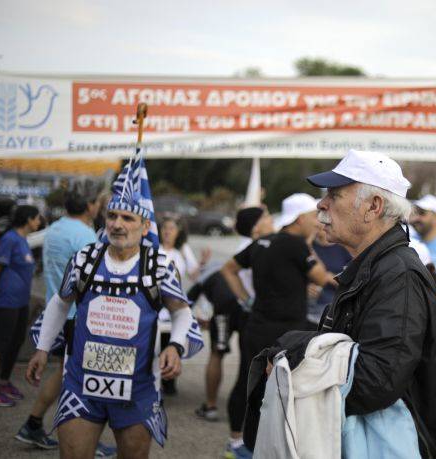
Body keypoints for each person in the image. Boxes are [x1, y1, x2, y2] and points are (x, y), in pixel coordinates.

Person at [25, 153, 196, 458]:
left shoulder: (158, 265)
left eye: (127, 218)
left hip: (137, 389)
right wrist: (42, 347)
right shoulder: (85, 259)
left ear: (144, 227)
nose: (117, 224)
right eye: (112, 216)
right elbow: (60, 303)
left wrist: (176, 347)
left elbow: (181, 311)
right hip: (82, 384)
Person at [307, 149, 436, 457]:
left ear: (374, 207)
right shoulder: (378, 267)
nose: (321, 204)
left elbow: (375, 382)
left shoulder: (398, 274)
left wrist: (298, 355)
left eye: (334, 195)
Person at [222, 194, 334, 459]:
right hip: (288, 333)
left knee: (247, 383)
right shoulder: (297, 245)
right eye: (313, 216)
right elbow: (320, 275)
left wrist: (246, 300)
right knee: (286, 388)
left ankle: (238, 442)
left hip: (257, 324)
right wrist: (310, 247)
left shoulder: (262, 242)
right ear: (299, 218)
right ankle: (276, 445)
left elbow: (228, 269)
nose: (318, 222)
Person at [15, 184, 117, 456]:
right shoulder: (85, 236)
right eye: (96, 203)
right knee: (77, 379)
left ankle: (34, 423)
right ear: (89, 207)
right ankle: (83, 439)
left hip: (56, 308)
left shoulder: (56, 228)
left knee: (65, 373)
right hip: (76, 316)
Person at [194, 206, 273, 424]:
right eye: (266, 216)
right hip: (230, 306)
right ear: (256, 225)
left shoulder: (251, 244)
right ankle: (212, 405)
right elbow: (229, 272)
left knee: (237, 358)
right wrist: (248, 299)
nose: (271, 220)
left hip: (242, 307)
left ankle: (229, 408)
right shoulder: (254, 246)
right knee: (220, 353)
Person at [0, 205, 41, 407]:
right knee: (1, 343)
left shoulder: (23, 240)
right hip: (7, 300)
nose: (39, 221)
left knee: (16, 341)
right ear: (28, 219)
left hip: (21, 301)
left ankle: (3, 381)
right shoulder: (10, 239)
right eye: (36, 218)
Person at [158, 215, 210, 395]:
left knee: (172, 341)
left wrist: (203, 262)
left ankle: (169, 381)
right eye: (165, 228)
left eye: (171, 228)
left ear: (178, 232)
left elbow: (194, 276)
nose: (167, 232)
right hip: (155, 304)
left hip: (173, 306)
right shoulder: (153, 248)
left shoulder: (182, 250)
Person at [307, 228, 352, 327]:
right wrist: (307, 287)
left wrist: (329, 277)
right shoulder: (309, 247)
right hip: (312, 308)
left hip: (335, 306)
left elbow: (351, 280)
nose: (320, 225)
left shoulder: (343, 248)